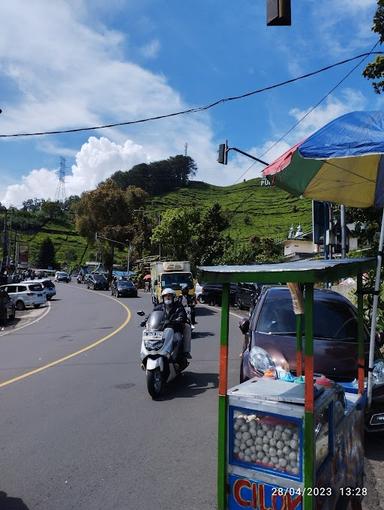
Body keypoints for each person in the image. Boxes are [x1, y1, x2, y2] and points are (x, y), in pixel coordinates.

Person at [153, 287, 192, 359]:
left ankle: (178, 355)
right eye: (166, 296)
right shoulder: (159, 306)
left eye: (169, 296)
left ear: (173, 297)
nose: (167, 297)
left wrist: (176, 320)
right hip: (161, 329)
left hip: (174, 329)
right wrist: (146, 320)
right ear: (163, 297)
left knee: (178, 339)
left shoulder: (178, 306)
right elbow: (153, 314)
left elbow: (182, 316)